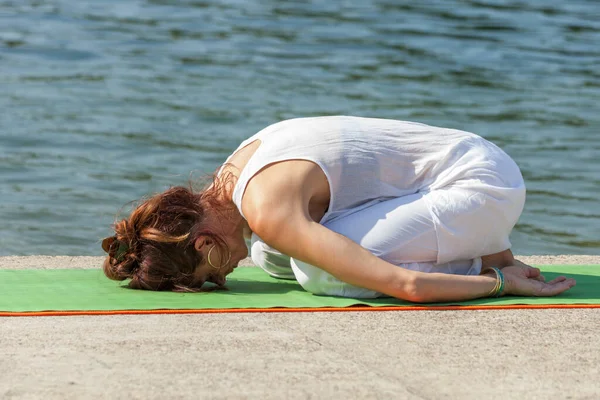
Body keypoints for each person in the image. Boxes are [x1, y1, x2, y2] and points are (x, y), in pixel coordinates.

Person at [102, 116, 576, 302]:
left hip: (480, 186)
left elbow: (404, 287)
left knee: (319, 275)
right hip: (470, 165)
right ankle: (479, 243)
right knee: (273, 256)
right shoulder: (237, 169)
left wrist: (494, 284)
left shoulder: (267, 211)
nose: (226, 276)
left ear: (204, 243)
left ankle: (490, 259)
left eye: (211, 273)